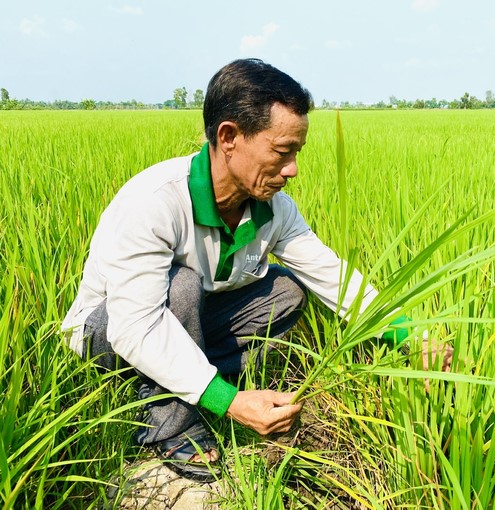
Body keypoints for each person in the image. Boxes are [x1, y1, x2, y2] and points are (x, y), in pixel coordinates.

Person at [62, 58, 448, 482]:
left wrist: (413, 336)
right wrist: (230, 401)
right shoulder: (154, 203)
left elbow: (330, 274)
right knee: (184, 286)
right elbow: (135, 326)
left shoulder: (273, 209)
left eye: (297, 153)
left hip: (189, 317)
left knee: (287, 292)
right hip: (107, 331)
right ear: (228, 137)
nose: (292, 170)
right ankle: (172, 425)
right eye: (282, 152)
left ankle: (191, 377)